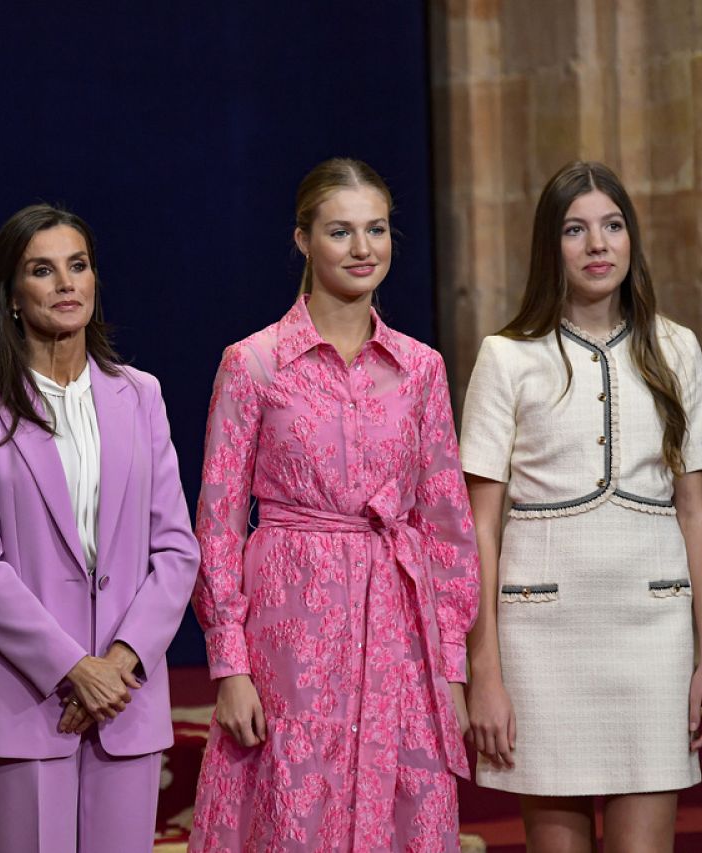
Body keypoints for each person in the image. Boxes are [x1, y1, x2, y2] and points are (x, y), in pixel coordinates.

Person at [188, 158, 480, 852]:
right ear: (303, 240)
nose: (362, 248)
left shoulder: (421, 368)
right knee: (293, 812)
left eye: (375, 229)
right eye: (340, 231)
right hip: (290, 632)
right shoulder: (254, 363)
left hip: (400, 636)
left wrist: (451, 667)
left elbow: (447, 525)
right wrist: (231, 666)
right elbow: (218, 523)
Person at [460, 161, 702, 851]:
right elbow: (480, 527)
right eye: (575, 229)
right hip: (540, 639)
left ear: (631, 237)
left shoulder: (676, 348)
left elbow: (695, 513)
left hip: (653, 632)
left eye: (612, 225)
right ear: (549, 245)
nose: (597, 244)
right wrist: (483, 673)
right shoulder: (506, 357)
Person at [0, 204, 199, 853]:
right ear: (12, 296)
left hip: (126, 697)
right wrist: (73, 668)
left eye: (77, 266)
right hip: (26, 699)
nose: (65, 283)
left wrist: (119, 663)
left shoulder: (140, 394)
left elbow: (175, 548)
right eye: (42, 270)